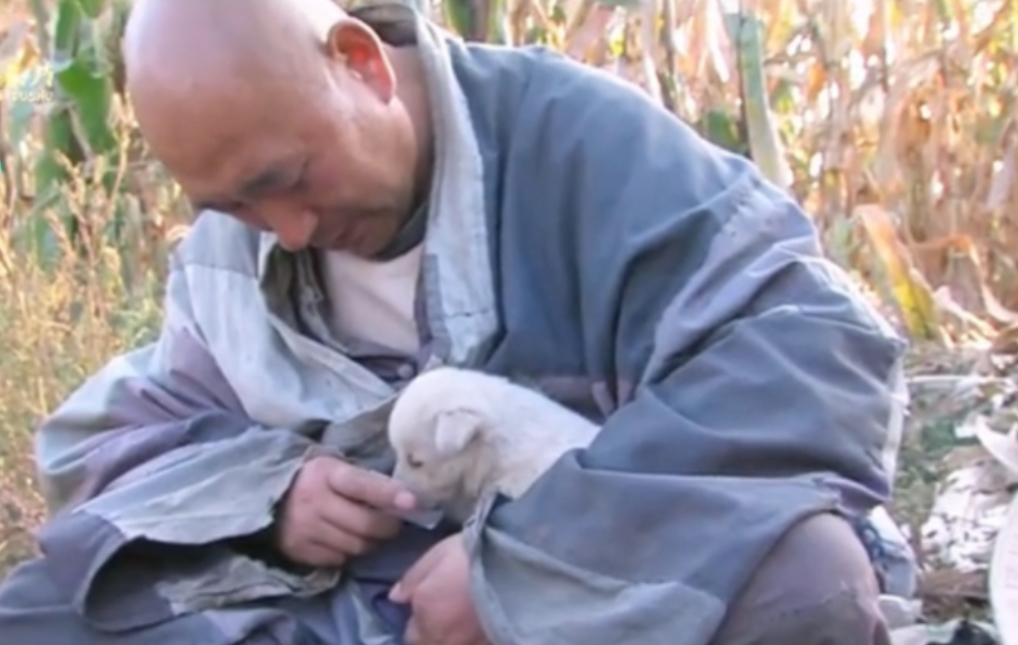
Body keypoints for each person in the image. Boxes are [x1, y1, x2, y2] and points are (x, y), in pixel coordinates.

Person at [0, 0, 916, 643]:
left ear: (360, 63)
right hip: (362, 594)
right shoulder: (227, 249)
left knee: (805, 585)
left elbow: (811, 352)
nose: (284, 231)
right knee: (36, 612)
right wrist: (273, 498)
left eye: (286, 180)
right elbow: (108, 448)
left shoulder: (592, 150)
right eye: (231, 205)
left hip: (595, 562)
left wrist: (527, 567)